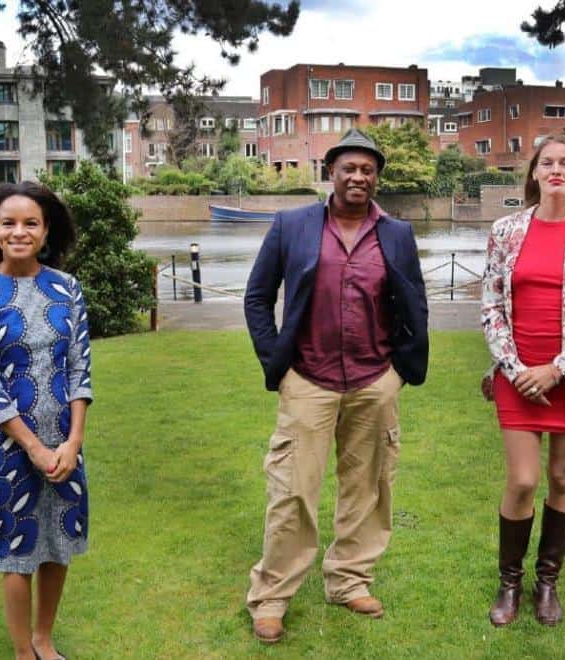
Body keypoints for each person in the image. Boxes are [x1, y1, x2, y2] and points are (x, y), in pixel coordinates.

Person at [242, 129, 429, 644]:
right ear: (331, 173)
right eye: (349, 168)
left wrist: (400, 368)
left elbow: (414, 302)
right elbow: (258, 298)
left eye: (368, 170)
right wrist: (275, 360)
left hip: (375, 379)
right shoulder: (293, 226)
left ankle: (349, 580)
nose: (358, 177)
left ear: (376, 178)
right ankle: (272, 598)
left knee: (368, 488)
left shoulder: (396, 234)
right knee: (291, 491)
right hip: (308, 378)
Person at [480, 134, 565, 628]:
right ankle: (509, 583)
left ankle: (547, 583)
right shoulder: (505, 231)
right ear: (535, 174)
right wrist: (518, 370)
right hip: (517, 377)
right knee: (522, 480)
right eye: (547, 163)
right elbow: (492, 306)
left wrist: (558, 368)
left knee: (562, 478)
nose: (557, 170)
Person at [0, 182, 92, 660]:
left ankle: (44, 641)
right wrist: (33, 448)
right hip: (14, 449)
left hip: (66, 445)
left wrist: (73, 442)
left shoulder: (67, 288)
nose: (20, 231)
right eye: (8, 223)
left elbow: (80, 370)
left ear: (45, 229)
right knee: (16, 549)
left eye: (30, 222)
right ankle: (21, 652)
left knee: (57, 545)